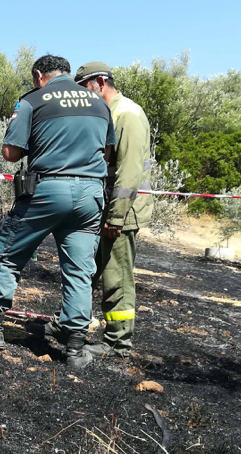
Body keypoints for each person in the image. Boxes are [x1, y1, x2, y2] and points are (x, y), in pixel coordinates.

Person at [0, 55, 115, 368]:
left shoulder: (33, 101)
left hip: (47, 191)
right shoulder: (100, 104)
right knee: (79, 270)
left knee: (7, 254)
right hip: (90, 196)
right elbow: (108, 151)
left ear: (39, 75)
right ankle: (75, 349)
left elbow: (10, 153)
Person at [76, 62, 153, 358]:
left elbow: (129, 173)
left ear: (99, 82)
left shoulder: (128, 115)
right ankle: (72, 324)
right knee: (92, 269)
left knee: (116, 276)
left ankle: (117, 343)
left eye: (84, 88)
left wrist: (116, 217)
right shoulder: (108, 113)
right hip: (106, 209)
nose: (83, 95)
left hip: (122, 212)